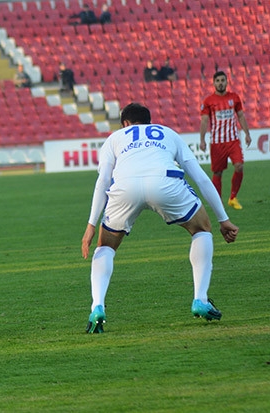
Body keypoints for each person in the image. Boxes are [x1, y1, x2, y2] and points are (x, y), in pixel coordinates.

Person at [81, 103, 239, 334]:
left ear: (125, 123)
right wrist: (223, 219)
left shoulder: (114, 138)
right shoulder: (168, 133)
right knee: (202, 228)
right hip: (164, 182)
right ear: (149, 121)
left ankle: (97, 307)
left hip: (125, 186)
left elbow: (103, 182)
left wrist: (91, 225)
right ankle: (200, 299)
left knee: (105, 246)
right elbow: (202, 178)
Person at [200, 71, 252, 210]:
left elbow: (240, 116)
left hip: (233, 140)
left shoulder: (234, 98)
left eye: (223, 80)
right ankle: (218, 203)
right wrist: (202, 139)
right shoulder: (208, 101)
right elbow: (204, 121)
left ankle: (233, 197)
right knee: (217, 173)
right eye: (218, 81)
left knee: (239, 166)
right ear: (214, 83)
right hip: (217, 142)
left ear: (227, 82)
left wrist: (247, 133)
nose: (220, 83)